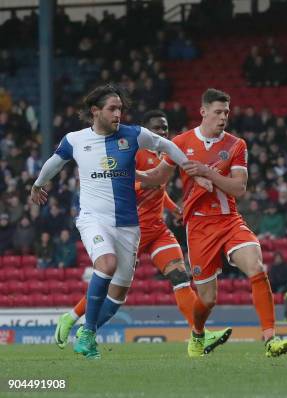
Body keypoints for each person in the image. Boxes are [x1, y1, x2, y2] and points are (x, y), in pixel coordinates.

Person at [30, 84, 207, 359]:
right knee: (107, 264)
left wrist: (190, 168)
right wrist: (38, 184)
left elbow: (167, 145)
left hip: (128, 226)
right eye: (112, 109)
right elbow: (55, 161)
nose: (118, 114)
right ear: (95, 111)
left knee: (116, 299)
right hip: (93, 219)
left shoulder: (133, 134)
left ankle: (83, 333)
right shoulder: (75, 139)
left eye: (120, 109)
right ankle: (87, 332)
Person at [53, 109, 231, 354]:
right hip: (129, 231)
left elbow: (160, 189)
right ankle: (73, 319)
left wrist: (173, 207)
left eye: (165, 128)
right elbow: (118, 185)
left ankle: (199, 335)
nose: (162, 132)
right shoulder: (131, 153)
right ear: (147, 131)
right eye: (157, 128)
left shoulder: (165, 156)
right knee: (114, 295)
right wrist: (141, 182)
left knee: (180, 276)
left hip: (158, 231)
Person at [138, 88, 287, 358]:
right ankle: (197, 334)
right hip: (198, 228)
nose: (223, 118)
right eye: (218, 112)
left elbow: (239, 188)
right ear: (203, 112)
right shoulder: (181, 142)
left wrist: (208, 172)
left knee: (256, 267)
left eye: (227, 112)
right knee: (207, 299)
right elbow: (157, 177)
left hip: (229, 221)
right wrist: (125, 171)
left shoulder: (236, 144)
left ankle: (270, 339)